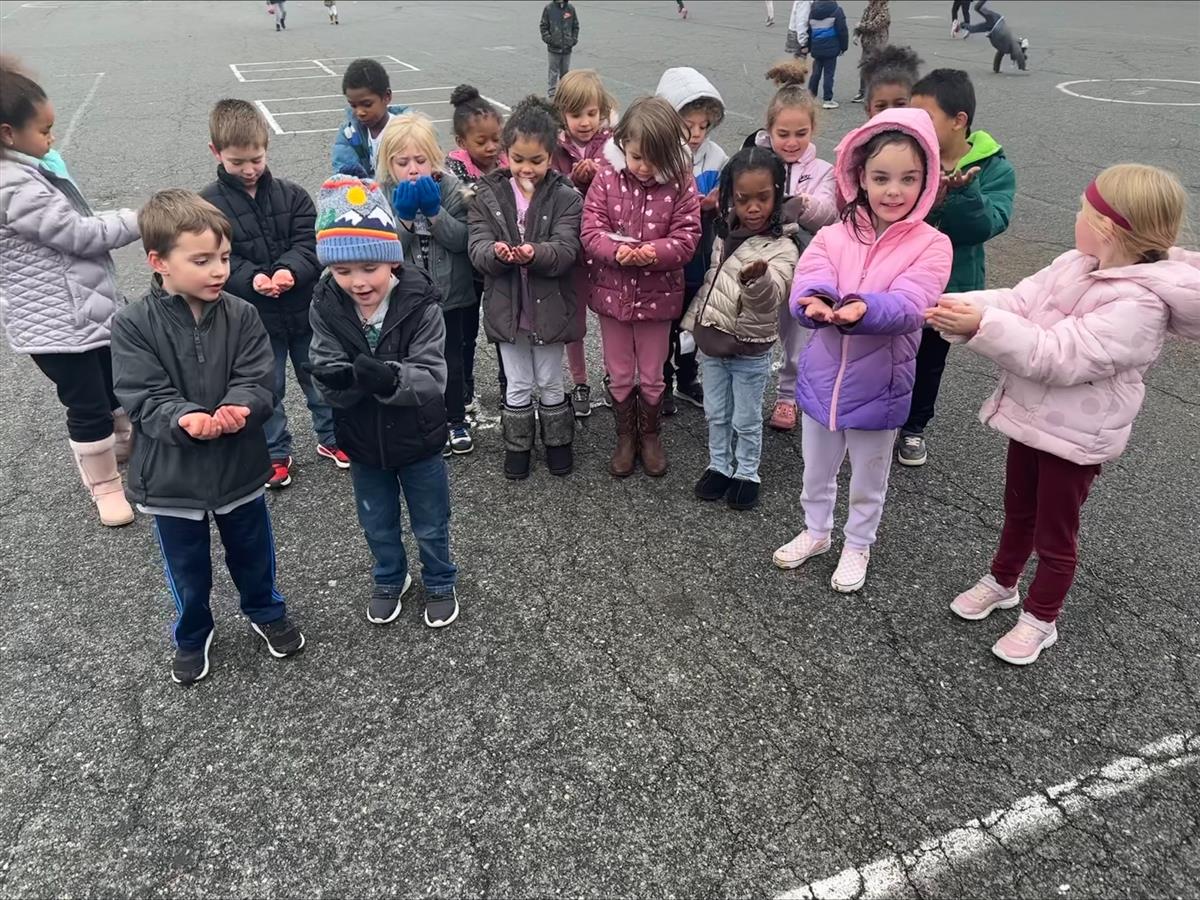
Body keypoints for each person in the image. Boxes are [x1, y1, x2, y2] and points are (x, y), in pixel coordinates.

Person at [927, 165, 1198, 665]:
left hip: (1076, 437)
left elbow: (1057, 354)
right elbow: (1019, 301)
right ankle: (1003, 581)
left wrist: (981, 325)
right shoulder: (1075, 263)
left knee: (1056, 532)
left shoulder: (1139, 305)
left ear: (1109, 228)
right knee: (1018, 509)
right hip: (1033, 418)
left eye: (1083, 209)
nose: (1076, 215)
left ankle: (1041, 616)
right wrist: (956, 303)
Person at [111, 190, 306, 685]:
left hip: (239, 467)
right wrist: (184, 418)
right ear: (159, 262)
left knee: (253, 549)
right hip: (172, 478)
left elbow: (258, 375)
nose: (219, 270)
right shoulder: (133, 324)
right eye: (201, 260)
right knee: (186, 567)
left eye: (223, 257)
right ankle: (193, 632)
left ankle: (264, 609)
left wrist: (243, 405)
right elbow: (141, 392)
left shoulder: (242, 313)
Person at [773, 108, 952, 593]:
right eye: (881, 178)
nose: (894, 191)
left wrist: (860, 309)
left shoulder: (934, 245)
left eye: (908, 179)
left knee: (869, 477)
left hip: (881, 385)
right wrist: (812, 302)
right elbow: (808, 279)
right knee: (816, 468)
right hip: (821, 376)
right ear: (860, 179)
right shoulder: (833, 235)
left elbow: (913, 304)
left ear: (927, 181)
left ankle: (858, 543)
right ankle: (816, 532)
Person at [307, 177, 459, 629]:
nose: (358, 282)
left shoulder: (421, 303)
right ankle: (390, 577)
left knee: (431, 520)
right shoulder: (325, 304)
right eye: (343, 271)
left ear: (393, 260)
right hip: (362, 441)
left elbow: (433, 376)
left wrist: (389, 377)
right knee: (376, 521)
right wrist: (339, 382)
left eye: (370, 267)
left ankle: (440, 578)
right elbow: (323, 366)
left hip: (419, 439)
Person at [0, 59, 141, 527]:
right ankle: (104, 487)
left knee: (112, 386)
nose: (51, 138)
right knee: (86, 404)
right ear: (7, 134)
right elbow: (77, 234)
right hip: (57, 324)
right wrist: (139, 218)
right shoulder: (13, 185)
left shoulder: (28, 172)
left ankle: (120, 452)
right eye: (44, 130)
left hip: (81, 312)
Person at [200, 99, 333, 490]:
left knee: (320, 375)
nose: (248, 169)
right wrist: (252, 278)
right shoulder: (209, 205)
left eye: (255, 159)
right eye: (237, 161)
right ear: (216, 152)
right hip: (253, 317)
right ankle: (275, 452)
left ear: (267, 147)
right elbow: (217, 257)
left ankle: (333, 437)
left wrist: (291, 270)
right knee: (265, 388)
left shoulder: (292, 195)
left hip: (305, 308)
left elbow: (310, 241)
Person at [898, 69, 1014, 467]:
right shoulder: (910, 154)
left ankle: (913, 427)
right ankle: (876, 418)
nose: (916, 125)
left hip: (950, 286)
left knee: (929, 361)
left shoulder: (994, 169)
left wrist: (963, 193)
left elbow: (984, 226)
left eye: (926, 117)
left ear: (959, 120)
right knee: (888, 351)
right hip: (899, 278)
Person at [581, 97, 701, 478]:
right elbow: (590, 229)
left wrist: (652, 252)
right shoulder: (606, 175)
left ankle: (649, 434)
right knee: (618, 371)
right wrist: (618, 252)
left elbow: (687, 237)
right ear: (622, 146)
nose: (645, 167)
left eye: (654, 160)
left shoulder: (682, 180)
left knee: (651, 372)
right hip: (612, 291)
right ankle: (624, 436)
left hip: (658, 294)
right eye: (636, 157)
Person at [468, 96, 583, 480]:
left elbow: (568, 248)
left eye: (536, 160)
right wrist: (496, 252)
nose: (526, 168)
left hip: (548, 305)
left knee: (550, 377)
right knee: (516, 380)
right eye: (518, 159)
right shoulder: (487, 195)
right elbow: (477, 245)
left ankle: (558, 441)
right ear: (506, 155)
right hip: (507, 304)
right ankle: (518, 445)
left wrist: (535, 251)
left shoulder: (566, 196)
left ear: (551, 156)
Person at [682, 147, 800, 511]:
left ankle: (747, 472)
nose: (753, 207)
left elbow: (774, 294)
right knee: (716, 412)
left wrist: (758, 281)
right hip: (713, 343)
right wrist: (691, 326)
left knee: (746, 418)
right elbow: (710, 285)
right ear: (730, 197)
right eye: (742, 198)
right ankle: (719, 464)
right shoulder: (723, 235)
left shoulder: (783, 246)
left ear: (777, 194)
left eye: (763, 198)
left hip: (750, 348)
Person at [745, 63, 839, 433]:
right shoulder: (757, 161)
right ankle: (749, 394)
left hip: (802, 264)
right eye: (783, 133)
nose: (791, 141)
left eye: (801, 133)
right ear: (769, 130)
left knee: (797, 334)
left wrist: (804, 204)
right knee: (752, 332)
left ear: (813, 130)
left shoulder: (822, 170)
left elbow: (830, 213)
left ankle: (787, 397)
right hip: (761, 262)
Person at [378, 113, 477, 457]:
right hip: (406, 298)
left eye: (420, 160)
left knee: (451, 358)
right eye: (402, 162)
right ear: (388, 163)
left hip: (450, 294)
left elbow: (462, 239)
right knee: (412, 359)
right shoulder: (384, 193)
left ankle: (455, 419)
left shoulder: (450, 188)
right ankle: (424, 418)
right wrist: (403, 218)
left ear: (434, 158)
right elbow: (384, 250)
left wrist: (434, 213)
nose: (413, 169)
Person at [655, 66, 729, 415]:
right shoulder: (660, 156)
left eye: (704, 127)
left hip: (700, 254)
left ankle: (687, 376)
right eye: (689, 127)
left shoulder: (717, 157)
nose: (697, 134)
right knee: (665, 322)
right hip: (669, 256)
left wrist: (718, 202)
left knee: (692, 317)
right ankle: (663, 378)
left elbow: (728, 198)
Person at [552, 69, 617, 418]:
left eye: (591, 113)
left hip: (604, 246)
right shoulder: (554, 148)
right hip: (571, 249)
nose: (585, 122)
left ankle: (612, 374)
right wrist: (570, 180)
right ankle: (579, 380)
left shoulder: (613, 145)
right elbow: (545, 188)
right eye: (576, 114)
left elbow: (622, 186)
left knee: (608, 313)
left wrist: (600, 177)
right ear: (562, 114)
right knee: (574, 319)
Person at [446, 85, 508, 409]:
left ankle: (509, 385)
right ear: (461, 143)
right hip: (467, 266)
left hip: (502, 264)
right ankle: (464, 387)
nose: (491, 147)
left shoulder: (509, 161)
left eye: (496, 139)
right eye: (481, 141)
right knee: (464, 333)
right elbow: (466, 204)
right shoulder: (453, 169)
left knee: (504, 330)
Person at [331, 59, 410, 179]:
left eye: (367, 104)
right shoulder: (349, 134)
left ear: (386, 97)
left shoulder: (409, 131)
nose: (360, 112)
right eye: (353, 105)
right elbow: (344, 175)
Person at [952, 0, 1029, 73]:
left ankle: (961, 25)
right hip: (995, 25)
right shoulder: (1010, 46)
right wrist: (1023, 66)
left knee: (975, 22)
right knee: (975, 22)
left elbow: (1001, 56)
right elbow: (1017, 52)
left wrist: (996, 69)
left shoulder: (1007, 47)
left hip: (995, 26)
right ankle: (961, 25)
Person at [859, 45, 923, 119]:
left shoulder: (928, 130)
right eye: (881, 106)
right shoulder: (863, 131)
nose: (890, 113)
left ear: (916, 106)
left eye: (900, 104)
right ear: (868, 110)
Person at [807, 0, 849, 109]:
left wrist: (809, 46)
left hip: (816, 46)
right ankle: (827, 99)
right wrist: (844, 47)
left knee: (816, 72)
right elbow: (842, 30)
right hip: (831, 46)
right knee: (829, 74)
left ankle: (811, 97)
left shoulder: (813, 10)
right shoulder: (836, 10)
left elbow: (809, 30)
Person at [851, 0, 890, 103]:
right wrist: (856, 34)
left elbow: (874, 26)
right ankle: (862, 92)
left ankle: (877, 93)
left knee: (876, 70)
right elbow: (862, 21)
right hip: (866, 44)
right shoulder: (869, 8)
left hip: (877, 45)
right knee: (864, 68)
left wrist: (860, 26)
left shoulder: (884, 10)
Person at [540, 0, 580, 99]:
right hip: (553, 49)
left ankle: (564, 93)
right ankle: (552, 95)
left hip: (567, 48)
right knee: (553, 72)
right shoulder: (549, 8)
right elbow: (543, 26)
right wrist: (550, 40)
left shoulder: (570, 8)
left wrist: (573, 40)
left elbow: (575, 26)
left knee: (565, 73)